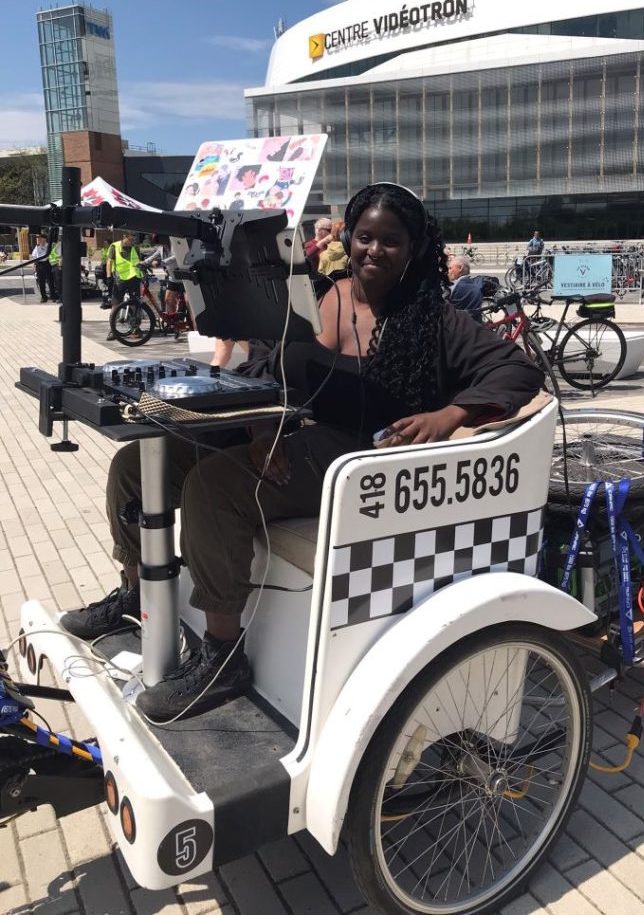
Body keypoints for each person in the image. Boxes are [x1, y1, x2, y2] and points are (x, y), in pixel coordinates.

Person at [59, 183, 544, 721]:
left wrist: (450, 415)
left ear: (414, 250)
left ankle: (223, 659)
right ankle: (134, 593)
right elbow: (264, 361)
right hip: (278, 427)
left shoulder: (435, 320)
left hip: (354, 460)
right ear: (348, 238)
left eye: (391, 241)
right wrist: (257, 425)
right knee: (134, 465)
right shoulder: (311, 295)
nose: (374, 251)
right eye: (365, 237)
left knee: (216, 489)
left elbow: (519, 369)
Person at [105, 232, 142, 341]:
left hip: (134, 278)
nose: (132, 242)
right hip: (120, 280)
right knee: (115, 305)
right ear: (124, 236)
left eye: (133, 240)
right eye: (130, 240)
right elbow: (109, 262)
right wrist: (108, 277)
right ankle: (112, 330)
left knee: (135, 304)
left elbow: (138, 262)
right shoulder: (115, 246)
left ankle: (136, 329)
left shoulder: (135, 247)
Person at [447, 254, 484, 322]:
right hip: (476, 326)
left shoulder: (454, 286)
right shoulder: (476, 284)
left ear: (460, 268)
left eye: (450, 268)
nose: (447, 272)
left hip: (459, 328)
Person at [30, 233, 57, 303]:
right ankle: (44, 297)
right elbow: (34, 256)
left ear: (44, 239)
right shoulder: (37, 247)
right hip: (40, 265)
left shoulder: (49, 246)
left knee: (50, 281)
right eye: (38, 238)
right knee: (41, 282)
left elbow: (53, 255)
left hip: (48, 264)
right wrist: (34, 266)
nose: (38, 240)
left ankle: (53, 296)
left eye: (39, 238)